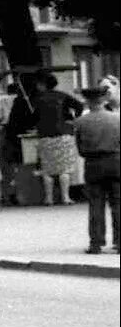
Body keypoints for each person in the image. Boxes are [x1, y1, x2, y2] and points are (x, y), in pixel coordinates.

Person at [74, 83, 120, 254]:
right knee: (118, 203)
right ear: (104, 99)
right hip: (116, 162)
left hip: (93, 164)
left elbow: (80, 148)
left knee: (95, 204)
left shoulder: (80, 122)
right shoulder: (117, 119)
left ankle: (96, 243)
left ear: (87, 101)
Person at [33, 74, 84, 206]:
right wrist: (73, 120)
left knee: (47, 169)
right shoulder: (63, 95)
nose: (37, 86)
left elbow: (34, 117)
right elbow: (79, 106)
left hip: (45, 135)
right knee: (64, 169)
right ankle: (65, 197)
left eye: (39, 84)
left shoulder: (38, 99)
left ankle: (48, 198)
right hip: (64, 134)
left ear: (43, 84)